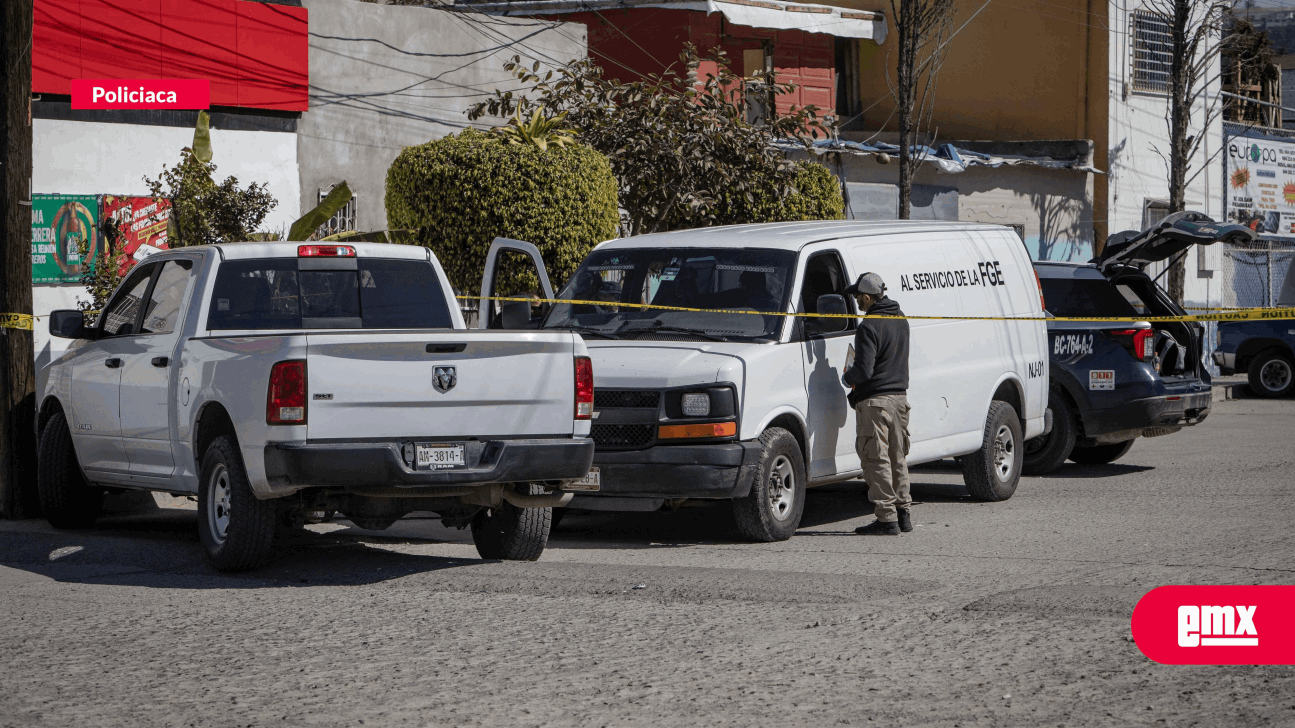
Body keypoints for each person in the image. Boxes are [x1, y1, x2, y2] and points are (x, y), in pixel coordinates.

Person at [840, 272, 913, 536]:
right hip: (899, 400)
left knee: (876, 459)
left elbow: (864, 371)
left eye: (858, 297)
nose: (857, 301)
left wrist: (847, 377)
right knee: (898, 457)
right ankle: (904, 513)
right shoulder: (901, 319)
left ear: (868, 297)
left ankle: (886, 519)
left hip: (876, 403)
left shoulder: (869, 326)